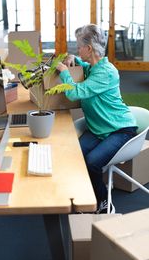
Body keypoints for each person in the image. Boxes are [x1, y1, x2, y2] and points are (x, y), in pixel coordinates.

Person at [56, 24, 137, 213]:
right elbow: (85, 66)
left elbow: (74, 93)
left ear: (89, 48)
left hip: (119, 129)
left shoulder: (106, 72)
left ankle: (102, 200)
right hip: (99, 129)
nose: (77, 49)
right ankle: (85, 193)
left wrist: (64, 72)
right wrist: (75, 59)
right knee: (76, 154)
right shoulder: (94, 67)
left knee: (92, 161)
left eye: (79, 47)